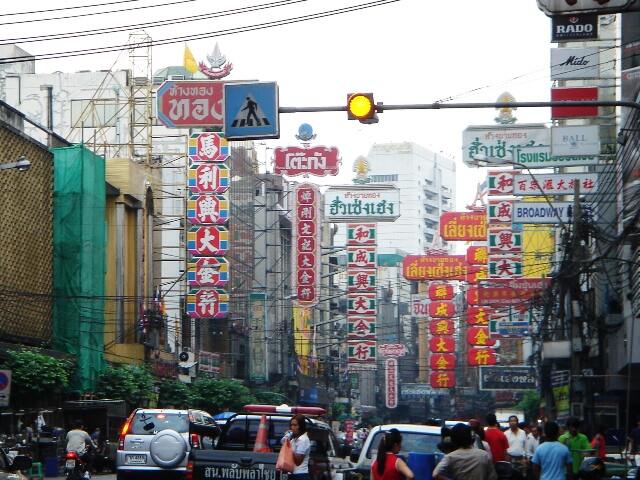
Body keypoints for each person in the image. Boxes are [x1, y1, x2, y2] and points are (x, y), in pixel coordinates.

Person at [281, 414, 312, 480]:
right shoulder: (294, 439)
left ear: (301, 426)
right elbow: (283, 442)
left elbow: (298, 461)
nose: (292, 428)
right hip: (292, 474)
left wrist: (289, 448)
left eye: (295, 425)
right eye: (291, 425)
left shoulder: (303, 440)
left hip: (300, 475)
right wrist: (287, 438)